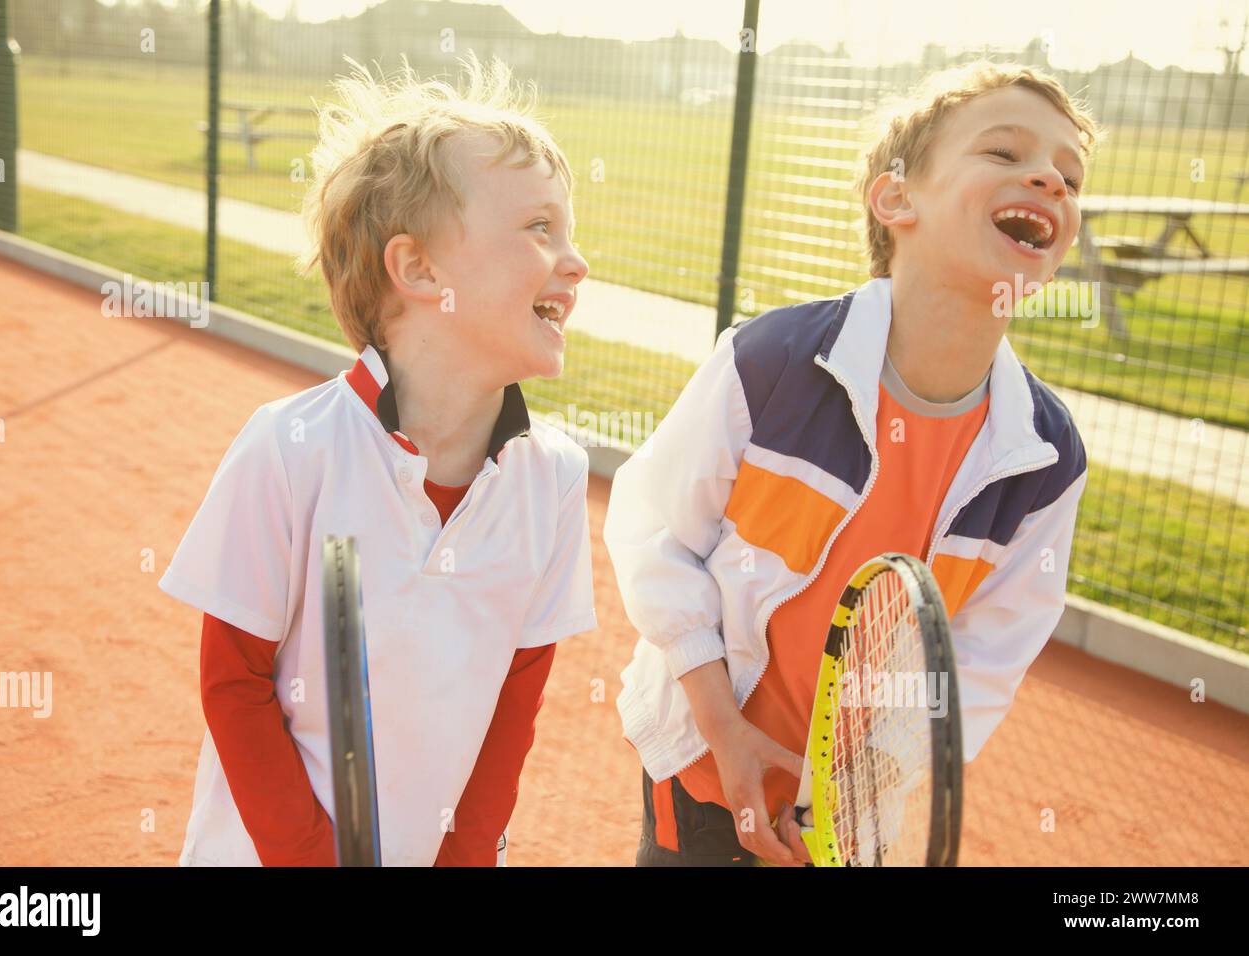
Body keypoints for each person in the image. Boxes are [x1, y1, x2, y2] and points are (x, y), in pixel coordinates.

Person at [603, 61, 1098, 866]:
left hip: (849, 816)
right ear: (896, 199)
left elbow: (980, 657)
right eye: (1005, 154)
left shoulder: (1047, 458)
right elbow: (652, 533)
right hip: (699, 763)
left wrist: (868, 778)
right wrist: (723, 732)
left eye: (1069, 177)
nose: (1049, 178)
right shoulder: (771, 362)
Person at [160, 55, 595, 866]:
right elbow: (234, 684)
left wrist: (460, 858)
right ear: (419, 268)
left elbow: (516, 698)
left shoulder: (556, 480)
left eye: (568, 232)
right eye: (540, 229)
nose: (574, 261)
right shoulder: (290, 449)